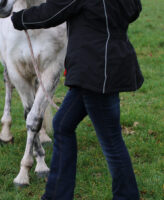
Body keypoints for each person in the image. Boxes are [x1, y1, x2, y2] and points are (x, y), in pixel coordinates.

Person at [11, 0, 144, 199]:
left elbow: (53, 11)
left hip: (95, 71)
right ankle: (57, 195)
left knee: (112, 142)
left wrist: (20, 18)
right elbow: (134, 9)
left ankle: (127, 196)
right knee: (63, 124)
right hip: (105, 66)